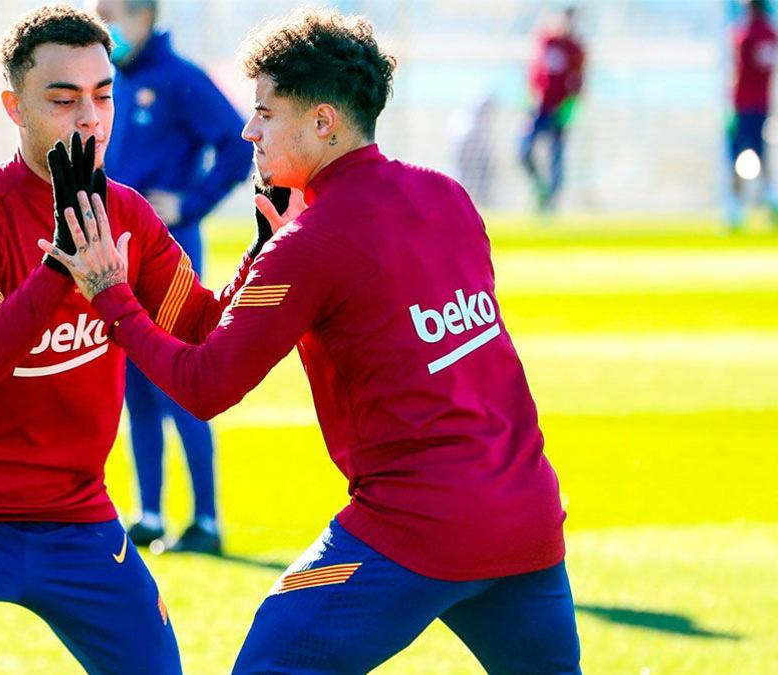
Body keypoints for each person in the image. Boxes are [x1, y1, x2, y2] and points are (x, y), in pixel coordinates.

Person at [44, 8, 581, 673]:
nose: (247, 130)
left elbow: (206, 385)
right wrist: (263, 249)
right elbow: (226, 322)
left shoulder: (315, 242)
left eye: (266, 112)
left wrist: (111, 298)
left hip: (415, 525)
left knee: (273, 655)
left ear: (323, 122)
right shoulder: (448, 196)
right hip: (527, 514)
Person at [0, 6, 259, 673]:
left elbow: (206, 332)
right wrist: (58, 268)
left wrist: (269, 249)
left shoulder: (126, 213)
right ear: (14, 106)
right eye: (63, 99)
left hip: (77, 518)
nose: (90, 119)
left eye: (103, 96)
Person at [93, 0, 253, 554]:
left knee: (179, 382)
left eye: (112, 12)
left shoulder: (180, 79)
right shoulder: (106, 80)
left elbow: (237, 145)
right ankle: (150, 513)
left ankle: (206, 519)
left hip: (169, 254)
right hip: (116, 253)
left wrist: (190, 202)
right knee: (133, 385)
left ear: (143, 16)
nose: (105, 24)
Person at [520, 5, 584, 213]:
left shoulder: (575, 48)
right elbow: (534, 72)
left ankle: (550, 205)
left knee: (556, 158)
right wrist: (528, 99)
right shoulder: (545, 41)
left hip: (559, 109)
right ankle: (540, 188)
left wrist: (570, 107)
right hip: (539, 107)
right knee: (523, 150)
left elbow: (579, 81)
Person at [728, 0, 778, 230]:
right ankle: (770, 199)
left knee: (735, 156)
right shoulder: (770, 34)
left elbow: (740, 69)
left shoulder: (746, 35)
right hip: (762, 104)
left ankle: (735, 209)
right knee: (760, 155)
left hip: (744, 105)